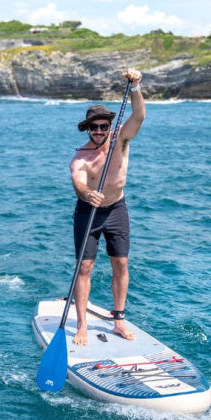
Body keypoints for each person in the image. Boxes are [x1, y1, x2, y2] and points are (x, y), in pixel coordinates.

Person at [69, 68, 145, 345]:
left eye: (103, 126)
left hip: (116, 209)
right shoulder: (81, 156)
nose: (99, 131)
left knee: (121, 264)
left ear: (109, 127)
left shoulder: (120, 140)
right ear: (87, 129)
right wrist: (87, 193)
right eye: (94, 127)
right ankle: (81, 325)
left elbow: (139, 116)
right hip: (88, 212)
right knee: (85, 267)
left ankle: (119, 321)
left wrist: (135, 86)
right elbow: (77, 180)